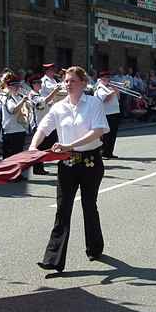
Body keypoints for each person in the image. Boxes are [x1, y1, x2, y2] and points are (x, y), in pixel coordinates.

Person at [30, 66, 110, 273]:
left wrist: (70, 145)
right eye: (66, 81)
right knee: (62, 208)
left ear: (83, 83)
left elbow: (98, 131)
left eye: (72, 81)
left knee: (88, 205)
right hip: (66, 163)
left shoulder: (93, 103)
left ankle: (94, 247)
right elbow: (43, 128)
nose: (68, 84)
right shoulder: (58, 107)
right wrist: (33, 147)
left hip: (90, 162)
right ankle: (53, 259)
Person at [29, 73, 61, 175]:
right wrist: (55, 92)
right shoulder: (32, 95)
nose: (39, 84)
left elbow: (46, 104)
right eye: (36, 83)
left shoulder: (39, 94)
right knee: (39, 147)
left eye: (40, 82)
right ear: (32, 84)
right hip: (38, 124)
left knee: (45, 145)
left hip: (44, 123)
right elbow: (42, 103)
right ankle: (37, 168)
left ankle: (40, 166)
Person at [0, 72, 29, 161]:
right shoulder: (6, 97)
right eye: (14, 85)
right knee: (10, 157)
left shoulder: (18, 96)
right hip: (10, 130)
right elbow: (12, 110)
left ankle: (18, 174)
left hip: (20, 128)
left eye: (18, 85)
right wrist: (23, 101)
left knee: (18, 155)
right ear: (9, 86)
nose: (17, 87)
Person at [95, 71, 121, 159]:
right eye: (105, 78)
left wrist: (116, 91)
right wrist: (113, 91)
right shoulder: (100, 88)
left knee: (113, 134)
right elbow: (105, 99)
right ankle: (104, 152)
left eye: (108, 77)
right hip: (107, 113)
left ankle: (110, 152)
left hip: (115, 112)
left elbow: (118, 98)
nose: (108, 79)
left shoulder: (109, 88)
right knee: (107, 134)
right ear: (101, 78)